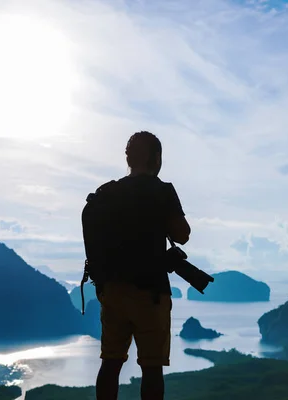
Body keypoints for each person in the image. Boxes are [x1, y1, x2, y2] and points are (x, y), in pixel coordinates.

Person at [95, 131, 191, 400]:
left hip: (112, 291)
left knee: (110, 364)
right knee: (152, 368)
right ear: (156, 157)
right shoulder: (161, 191)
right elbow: (182, 233)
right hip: (150, 293)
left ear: (128, 157)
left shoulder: (108, 193)